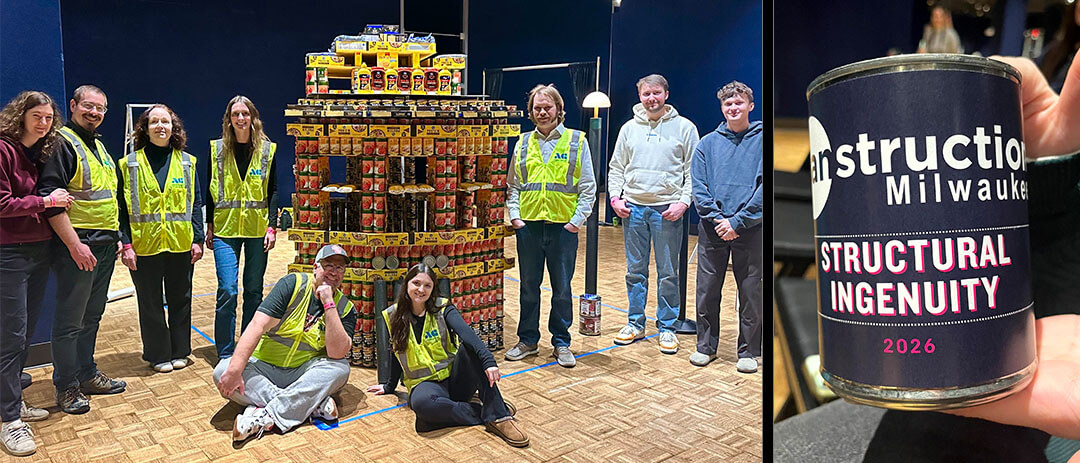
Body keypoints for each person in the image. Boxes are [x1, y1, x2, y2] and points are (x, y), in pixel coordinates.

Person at [37, 85, 127, 416]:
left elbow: (106, 197)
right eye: (89, 106)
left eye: (101, 109)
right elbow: (51, 201)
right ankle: (66, 385)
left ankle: (87, 373)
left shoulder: (100, 147)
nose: (95, 113)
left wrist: (117, 236)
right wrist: (75, 245)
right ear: (73, 105)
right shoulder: (62, 143)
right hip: (79, 247)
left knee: (91, 315)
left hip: (103, 245)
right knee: (69, 320)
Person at [366, 264, 528, 447]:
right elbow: (396, 353)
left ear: (433, 288)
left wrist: (488, 361)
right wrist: (389, 386)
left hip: (455, 378)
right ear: (407, 284)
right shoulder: (392, 315)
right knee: (421, 405)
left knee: (470, 349)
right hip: (425, 384)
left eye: (427, 285)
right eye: (416, 283)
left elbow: (468, 334)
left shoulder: (443, 309)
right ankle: (483, 410)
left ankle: (499, 417)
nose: (421, 289)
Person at [213, 244, 354, 443]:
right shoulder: (293, 285)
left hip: (303, 374)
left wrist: (329, 303)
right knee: (223, 370)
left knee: (340, 369)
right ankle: (309, 405)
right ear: (315, 267)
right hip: (264, 369)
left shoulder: (345, 307)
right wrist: (235, 370)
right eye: (328, 265)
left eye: (339, 268)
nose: (333, 271)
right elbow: (257, 325)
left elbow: (337, 352)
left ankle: (265, 417)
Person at [504, 84, 596, 368]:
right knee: (529, 287)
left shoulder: (577, 141)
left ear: (559, 109)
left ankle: (561, 342)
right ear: (531, 112)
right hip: (529, 227)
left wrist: (575, 222)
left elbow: (588, 187)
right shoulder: (522, 142)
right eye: (537, 108)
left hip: (562, 229)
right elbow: (513, 186)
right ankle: (528, 340)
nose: (543, 112)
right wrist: (516, 217)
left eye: (548, 107)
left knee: (562, 289)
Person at [0, 91, 71, 457]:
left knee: (22, 335)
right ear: (21, 116)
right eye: (37, 116)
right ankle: (10, 420)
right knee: (11, 336)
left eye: (48, 118)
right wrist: (46, 202)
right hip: (9, 254)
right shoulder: (3, 149)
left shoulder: (37, 154)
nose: (43, 123)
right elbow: (2, 204)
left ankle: (8, 403)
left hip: (38, 251)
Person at [607, 74, 699, 354]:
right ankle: (635, 324)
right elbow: (616, 168)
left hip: (667, 210)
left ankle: (668, 327)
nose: (651, 98)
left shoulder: (685, 128)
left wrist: (683, 203)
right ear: (640, 96)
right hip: (633, 209)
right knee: (635, 271)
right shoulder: (628, 129)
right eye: (646, 94)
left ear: (666, 94)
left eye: (656, 93)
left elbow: (693, 171)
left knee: (668, 272)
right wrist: (614, 197)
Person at [117, 104, 204, 373]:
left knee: (181, 299)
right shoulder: (129, 164)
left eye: (165, 122)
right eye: (154, 122)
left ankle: (180, 350)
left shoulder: (188, 162)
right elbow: (120, 207)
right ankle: (158, 354)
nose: (160, 126)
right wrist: (126, 243)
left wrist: (198, 239)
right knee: (150, 302)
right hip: (145, 246)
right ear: (145, 128)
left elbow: (195, 202)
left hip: (180, 243)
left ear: (173, 127)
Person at [690, 81, 763, 373]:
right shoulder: (707, 144)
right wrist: (720, 220)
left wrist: (738, 221)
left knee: (751, 291)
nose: (733, 108)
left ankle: (749, 351)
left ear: (750, 105)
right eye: (728, 104)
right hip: (713, 228)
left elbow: (763, 189)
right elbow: (699, 188)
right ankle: (705, 347)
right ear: (722, 108)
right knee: (707, 290)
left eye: (739, 103)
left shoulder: (762, 140)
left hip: (751, 227)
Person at [205, 96, 279, 360]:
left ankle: (248, 345)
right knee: (228, 289)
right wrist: (209, 225)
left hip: (258, 228)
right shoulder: (217, 150)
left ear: (252, 117)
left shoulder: (267, 149)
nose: (240, 118)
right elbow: (209, 189)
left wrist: (272, 226)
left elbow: (273, 190)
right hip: (225, 229)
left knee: (254, 290)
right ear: (229, 119)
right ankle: (225, 351)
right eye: (235, 114)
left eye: (244, 114)